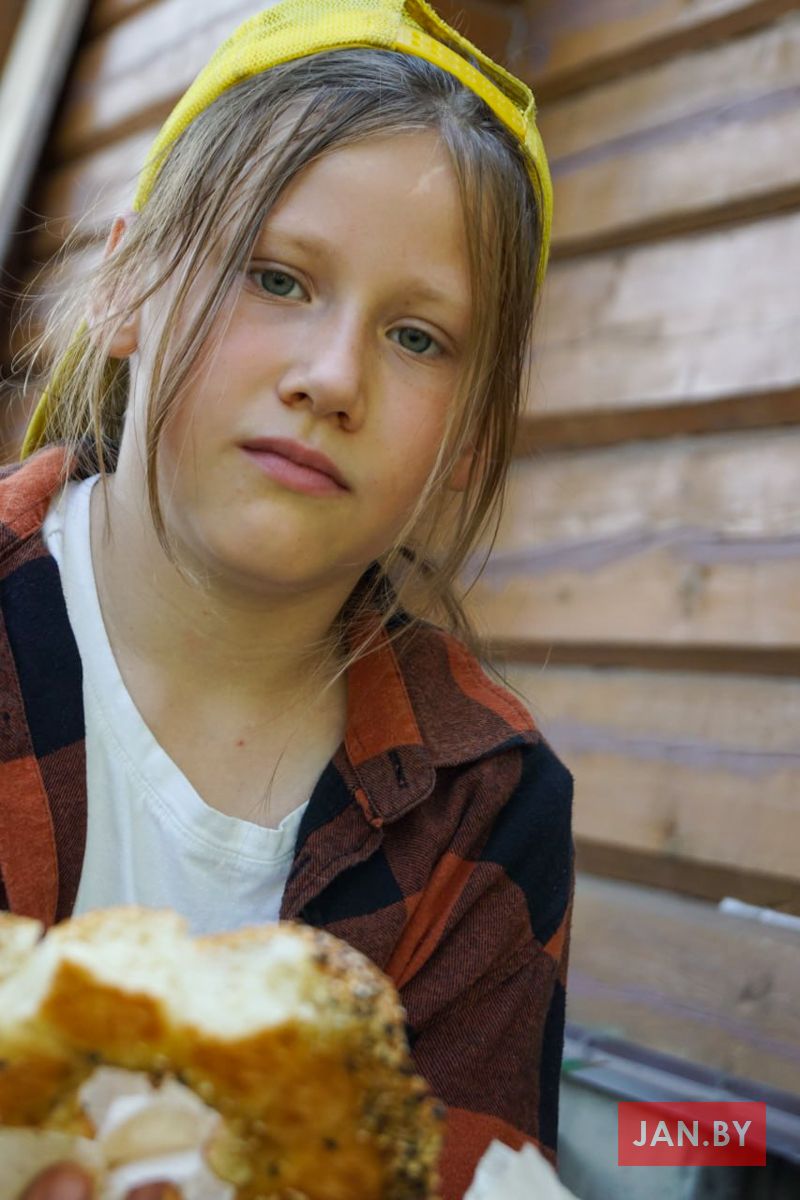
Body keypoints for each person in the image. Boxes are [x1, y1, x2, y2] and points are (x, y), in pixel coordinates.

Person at [3, 2, 574, 1198]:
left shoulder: (485, 802)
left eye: (416, 337)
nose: (331, 378)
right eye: (276, 277)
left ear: (472, 437)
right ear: (127, 285)